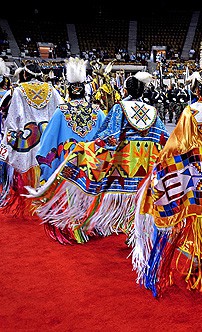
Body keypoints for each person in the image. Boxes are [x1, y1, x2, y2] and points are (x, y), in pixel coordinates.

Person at [128, 38, 202, 297]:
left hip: (198, 186)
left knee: (199, 224)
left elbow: (176, 149)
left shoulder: (190, 113)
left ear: (197, 90)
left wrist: (161, 169)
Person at [25, 71, 168, 244]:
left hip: (122, 168)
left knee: (91, 191)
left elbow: (108, 137)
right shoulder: (151, 111)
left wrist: (88, 149)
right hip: (144, 167)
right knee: (138, 200)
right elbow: (164, 139)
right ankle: (136, 232)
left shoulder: (118, 108)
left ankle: (86, 226)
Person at [0, 62, 64, 216]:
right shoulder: (52, 90)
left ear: (25, 75)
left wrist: (9, 136)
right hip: (48, 136)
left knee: (29, 165)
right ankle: (47, 199)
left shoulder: (18, 91)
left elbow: (13, 119)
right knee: (46, 164)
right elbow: (62, 109)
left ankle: (33, 200)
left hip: (28, 138)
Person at [36, 57, 106, 185]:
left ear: (68, 91)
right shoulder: (98, 111)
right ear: (84, 91)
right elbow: (107, 140)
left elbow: (48, 142)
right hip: (92, 172)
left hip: (67, 171)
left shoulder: (61, 112)